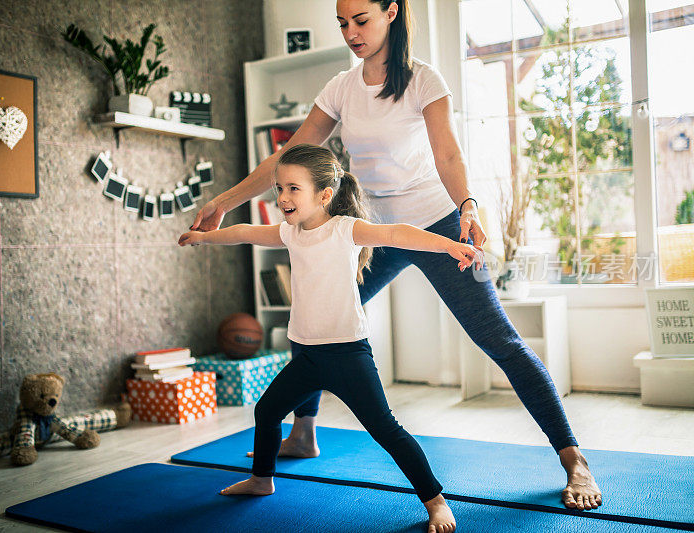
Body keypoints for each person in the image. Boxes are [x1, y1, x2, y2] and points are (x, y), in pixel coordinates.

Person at [189, 0, 601, 512]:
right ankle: (304, 432)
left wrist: (467, 205)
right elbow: (288, 155)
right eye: (342, 23)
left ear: (391, 12)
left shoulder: (423, 80)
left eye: (361, 20)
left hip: (438, 223)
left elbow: (447, 152)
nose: (351, 33)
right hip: (370, 231)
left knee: (498, 338)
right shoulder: (342, 87)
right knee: (314, 316)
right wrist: (222, 203)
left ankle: (572, 458)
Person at [180, 144, 481, 532]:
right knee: (267, 412)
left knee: (385, 429)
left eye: (293, 188)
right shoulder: (290, 234)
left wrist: (449, 244)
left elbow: (396, 232)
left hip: (347, 355)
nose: (283, 197)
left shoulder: (343, 230)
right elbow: (244, 232)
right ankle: (261, 480)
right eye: (279, 188)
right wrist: (203, 237)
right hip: (306, 356)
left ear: (324, 195)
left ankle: (436, 501)